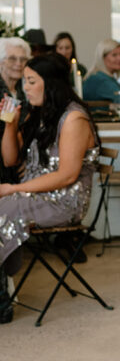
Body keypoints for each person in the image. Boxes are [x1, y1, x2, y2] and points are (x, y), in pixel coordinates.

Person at [0, 53, 99, 323]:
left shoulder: (73, 119)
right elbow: (10, 159)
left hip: (63, 201)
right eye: (24, 82)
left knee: (3, 205)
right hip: (37, 193)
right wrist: (9, 125)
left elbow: (67, 176)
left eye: (31, 81)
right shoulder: (41, 114)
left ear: (51, 83)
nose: (25, 88)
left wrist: (13, 189)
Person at [0, 37, 31, 181]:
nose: (18, 64)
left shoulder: (26, 91)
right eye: (12, 59)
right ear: (1, 61)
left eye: (23, 59)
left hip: (19, 162)